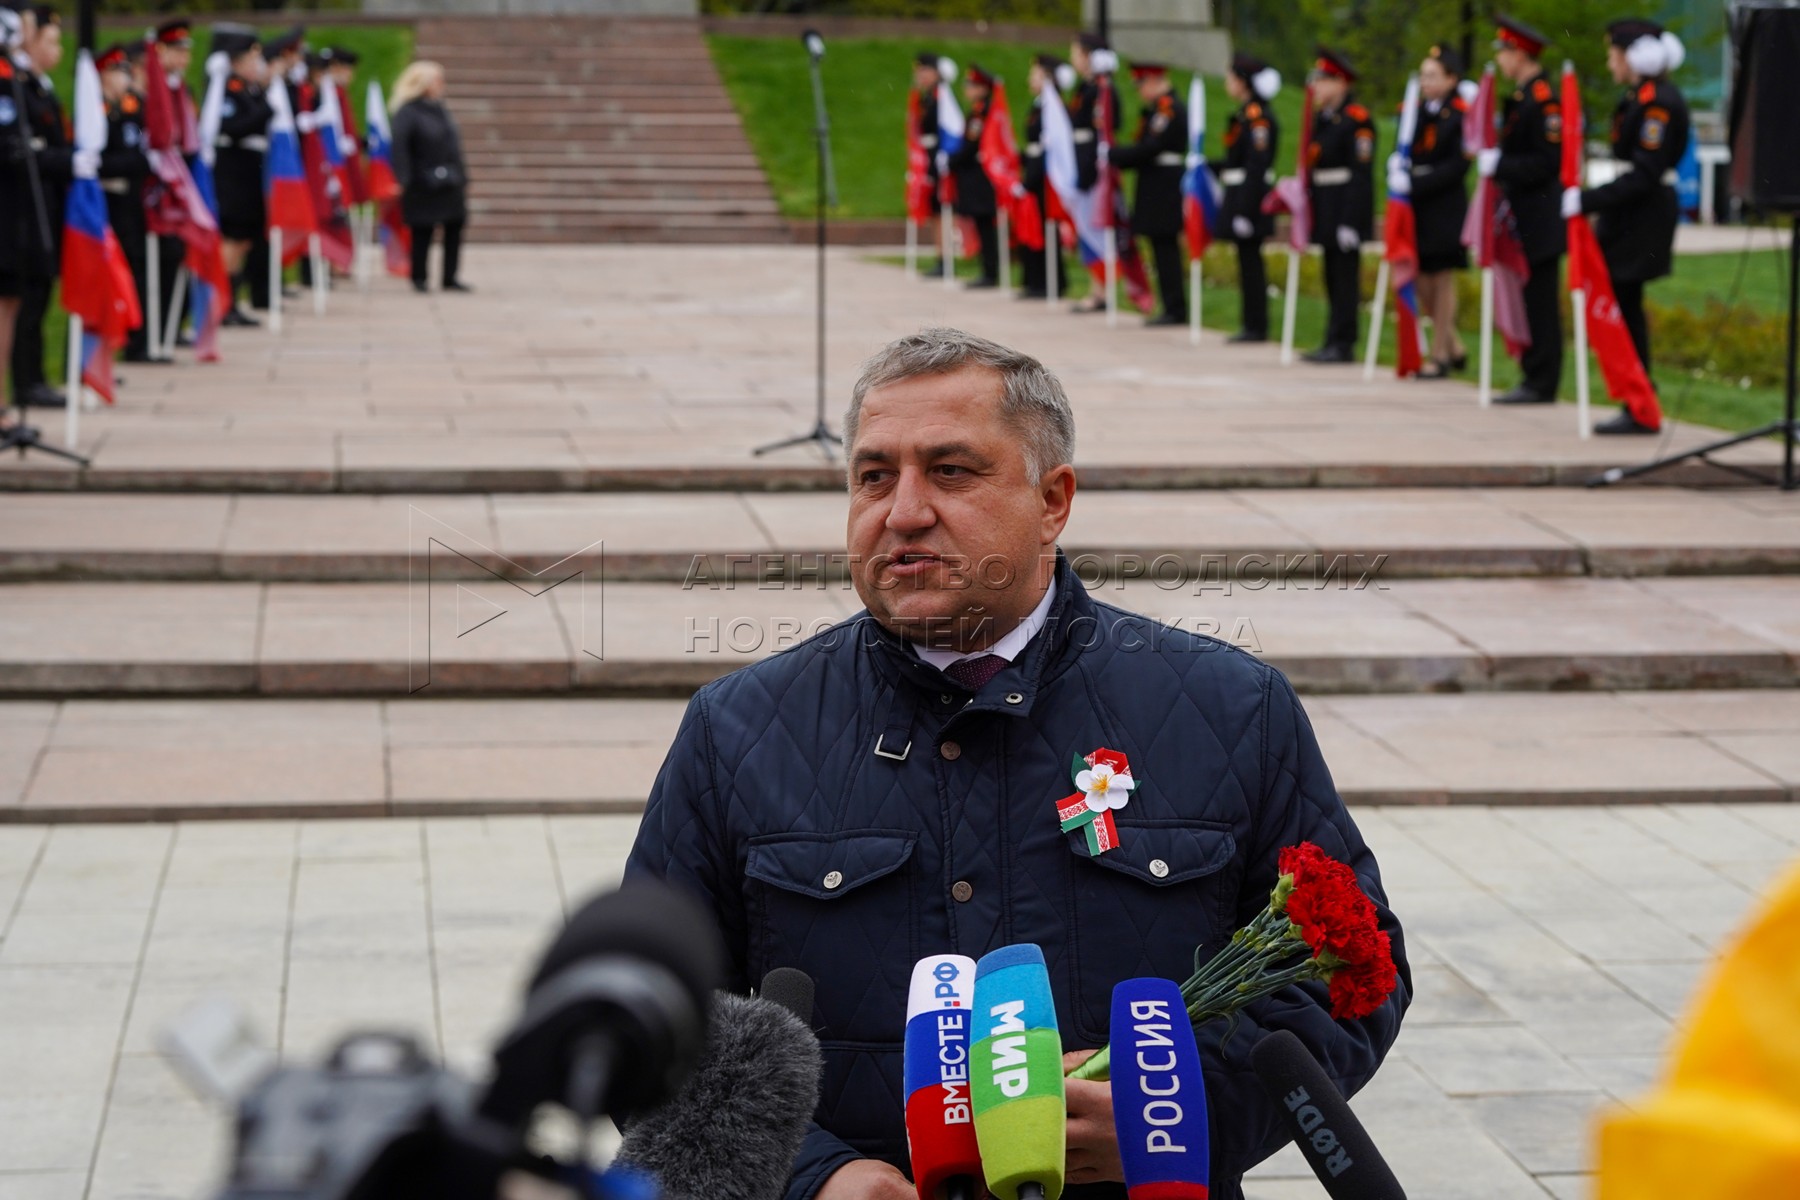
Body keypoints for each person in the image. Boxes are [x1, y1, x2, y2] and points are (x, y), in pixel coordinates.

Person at [625, 327, 1410, 1200]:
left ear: (1053, 500)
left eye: (951, 471)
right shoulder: (736, 728)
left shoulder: (1232, 709)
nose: (903, 511)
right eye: (874, 475)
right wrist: (811, 1176)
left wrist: (1180, 1113)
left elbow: (1353, 974)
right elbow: (642, 1017)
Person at [1563, 19, 1690, 435]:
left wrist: (1588, 200)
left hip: (1643, 215)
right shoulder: (1638, 97)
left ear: (1636, 57)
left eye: (1614, 54)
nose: (1609, 63)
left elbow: (1645, 172)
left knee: (1627, 301)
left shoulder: (1659, 103)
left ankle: (1640, 400)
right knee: (1622, 301)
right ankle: (1636, 396)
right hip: (1628, 213)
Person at [1481, 16, 1564, 405]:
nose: (1500, 60)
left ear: (1520, 54)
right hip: (1524, 214)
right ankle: (1533, 375)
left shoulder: (1543, 99)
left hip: (1540, 215)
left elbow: (1547, 162)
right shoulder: (1523, 96)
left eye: (1504, 52)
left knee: (1541, 300)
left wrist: (1500, 164)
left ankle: (1542, 380)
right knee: (1530, 298)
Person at [8, 5, 67, 408]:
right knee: (23, 301)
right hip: (21, 206)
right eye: (49, 40)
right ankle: (25, 383)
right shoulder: (16, 83)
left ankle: (32, 380)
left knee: (35, 295)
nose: (55, 49)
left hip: (40, 201)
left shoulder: (34, 84)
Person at [1301, 47, 1374, 364]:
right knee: (1331, 276)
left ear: (1341, 83)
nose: (1316, 87)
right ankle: (1332, 338)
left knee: (1345, 278)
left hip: (1345, 206)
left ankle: (1344, 341)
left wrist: (1349, 220)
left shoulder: (1357, 120)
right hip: (1326, 205)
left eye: (1323, 80)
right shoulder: (1323, 119)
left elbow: (1360, 174)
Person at [1406, 44, 1471, 378]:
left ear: (1451, 79)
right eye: (1423, 76)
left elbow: (1458, 165)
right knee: (1421, 279)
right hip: (1418, 204)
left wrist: (1417, 182)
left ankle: (1440, 354)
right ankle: (1454, 344)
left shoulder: (1459, 114)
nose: (1426, 82)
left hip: (1444, 204)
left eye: (1433, 76)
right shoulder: (1415, 112)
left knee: (1442, 278)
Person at [1108, 62, 1187, 326]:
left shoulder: (1169, 109)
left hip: (1164, 185)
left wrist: (1114, 155)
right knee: (1159, 246)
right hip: (1154, 182)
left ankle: (1175, 308)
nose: (1139, 91)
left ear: (1153, 80)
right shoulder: (1157, 109)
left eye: (1141, 84)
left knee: (1165, 246)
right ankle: (1170, 305)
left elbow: (1152, 146)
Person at [389, 60, 469, 293]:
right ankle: (419, 277)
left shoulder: (439, 108)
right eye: (437, 80)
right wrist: (403, 179)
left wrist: (462, 175)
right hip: (421, 182)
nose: (441, 84)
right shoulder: (408, 112)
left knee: (454, 226)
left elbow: (453, 146)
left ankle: (450, 277)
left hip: (449, 180)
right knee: (422, 231)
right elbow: (400, 148)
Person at [1216, 53, 1279, 343]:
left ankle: (1257, 325)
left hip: (1250, 199)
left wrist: (1244, 209)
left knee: (1252, 263)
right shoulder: (1245, 115)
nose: (1227, 83)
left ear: (1243, 81)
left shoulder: (1258, 118)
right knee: (1246, 262)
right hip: (1240, 194)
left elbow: (1256, 165)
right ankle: (1250, 323)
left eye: (1231, 78)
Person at [210, 23, 270, 326]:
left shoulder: (248, 88)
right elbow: (231, 127)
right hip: (232, 171)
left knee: (244, 239)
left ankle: (233, 299)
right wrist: (265, 111)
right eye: (250, 59)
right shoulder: (227, 88)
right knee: (232, 238)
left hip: (249, 170)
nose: (255, 65)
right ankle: (223, 302)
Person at [97, 42, 154, 363]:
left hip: (130, 201)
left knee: (135, 268)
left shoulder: (129, 109)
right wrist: (134, 163)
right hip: (107, 201)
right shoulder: (98, 112)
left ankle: (134, 342)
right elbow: (101, 161)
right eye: (119, 72)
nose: (125, 79)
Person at [1066, 33, 1119, 313]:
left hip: (1092, 164)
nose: (1073, 59)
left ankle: (1102, 290)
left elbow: (1108, 125)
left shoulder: (1102, 88)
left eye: (1076, 53)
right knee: (1086, 228)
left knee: (1096, 228)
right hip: (1080, 160)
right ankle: (1096, 288)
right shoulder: (1085, 87)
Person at [152, 17, 196, 347]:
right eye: (176, 51)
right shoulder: (156, 87)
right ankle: (157, 328)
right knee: (163, 258)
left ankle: (173, 323)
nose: (183, 58)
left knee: (180, 254)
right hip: (159, 187)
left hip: (182, 178)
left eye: (185, 52)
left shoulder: (182, 89)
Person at [1019, 54, 1068, 300]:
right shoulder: (1040, 104)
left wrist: (1031, 178)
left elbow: (1049, 146)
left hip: (1046, 175)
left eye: (1036, 75)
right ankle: (1035, 279)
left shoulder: (1053, 106)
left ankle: (1051, 282)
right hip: (1035, 169)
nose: (1031, 79)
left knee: (1047, 228)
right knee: (1035, 226)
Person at [945, 62, 999, 289]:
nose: (966, 89)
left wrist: (951, 161)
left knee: (985, 225)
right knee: (980, 224)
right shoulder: (978, 110)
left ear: (983, 89)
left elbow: (971, 145)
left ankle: (990, 272)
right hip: (973, 175)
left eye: (971, 85)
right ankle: (987, 269)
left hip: (979, 177)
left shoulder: (982, 113)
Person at [909, 52, 948, 279]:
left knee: (941, 210)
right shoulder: (927, 97)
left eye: (925, 70)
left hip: (938, 157)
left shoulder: (942, 97)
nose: (920, 75)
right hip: (926, 157)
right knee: (934, 212)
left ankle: (945, 258)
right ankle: (939, 256)